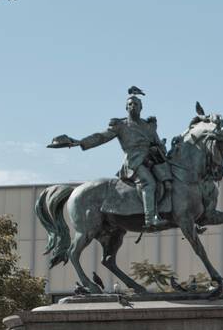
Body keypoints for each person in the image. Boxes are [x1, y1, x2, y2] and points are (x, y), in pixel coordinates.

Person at [61, 89, 171, 229]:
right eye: (130, 104)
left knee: (170, 181)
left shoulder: (148, 126)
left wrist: (159, 149)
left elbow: (159, 145)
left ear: (141, 107)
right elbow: (102, 137)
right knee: (148, 183)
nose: (133, 106)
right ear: (126, 108)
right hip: (134, 163)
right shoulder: (121, 125)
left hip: (152, 162)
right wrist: (80, 142)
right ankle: (150, 219)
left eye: (136, 104)